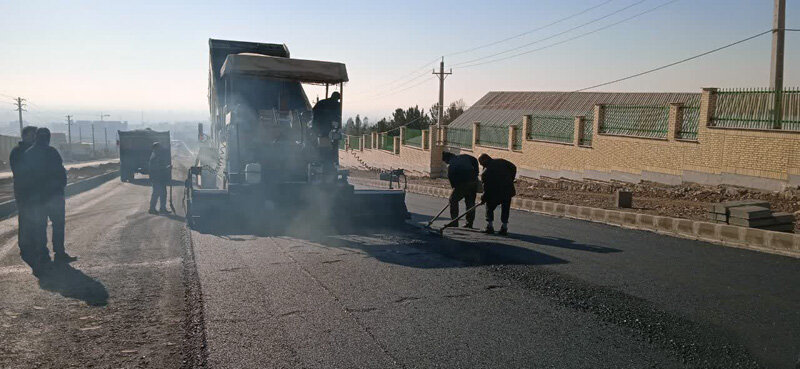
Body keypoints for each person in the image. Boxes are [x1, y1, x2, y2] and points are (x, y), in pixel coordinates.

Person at [23, 128, 75, 265]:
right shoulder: (52, 152)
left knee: (40, 226)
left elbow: (25, 177)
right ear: (48, 138)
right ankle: (59, 252)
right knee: (58, 225)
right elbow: (60, 172)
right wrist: (60, 189)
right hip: (54, 196)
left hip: (37, 198)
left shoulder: (29, 154)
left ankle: (42, 255)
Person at [10, 126, 52, 275]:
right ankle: (25, 246)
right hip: (23, 192)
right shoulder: (17, 152)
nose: (35, 136)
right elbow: (19, 172)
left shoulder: (36, 151)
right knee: (25, 218)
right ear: (25, 135)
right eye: (32, 134)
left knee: (38, 220)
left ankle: (37, 246)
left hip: (36, 193)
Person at [478, 153, 517, 235]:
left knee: (489, 208)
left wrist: (483, 199)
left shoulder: (485, 172)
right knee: (505, 208)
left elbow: (486, 189)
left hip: (495, 193)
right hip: (507, 190)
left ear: (485, 160)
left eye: (481, 163)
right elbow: (513, 167)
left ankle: (490, 226)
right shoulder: (501, 161)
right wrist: (511, 179)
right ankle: (504, 227)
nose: (481, 165)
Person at [442, 151, 480, 228]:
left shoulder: (451, 165)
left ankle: (454, 222)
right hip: (473, 183)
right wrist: (476, 172)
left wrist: (454, 187)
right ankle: (469, 223)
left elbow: (451, 178)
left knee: (452, 200)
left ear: (447, 159)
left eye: (445, 161)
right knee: (470, 203)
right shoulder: (464, 157)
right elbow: (475, 160)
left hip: (462, 184)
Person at [148, 142, 170, 214]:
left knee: (163, 193)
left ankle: (162, 208)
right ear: (155, 148)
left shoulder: (156, 155)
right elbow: (157, 168)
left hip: (159, 178)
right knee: (156, 193)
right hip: (157, 178)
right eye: (159, 147)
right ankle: (152, 209)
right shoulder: (155, 156)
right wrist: (167, 168)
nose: (160, 149)